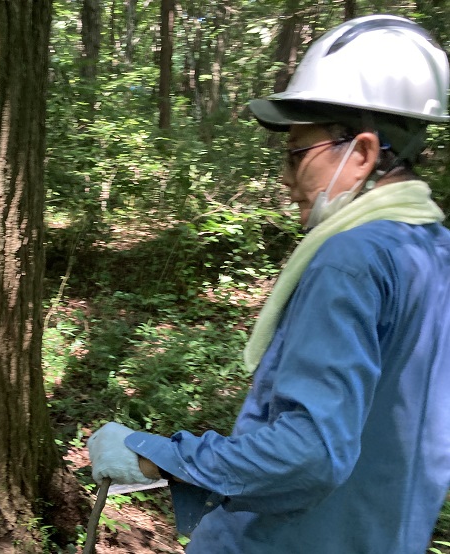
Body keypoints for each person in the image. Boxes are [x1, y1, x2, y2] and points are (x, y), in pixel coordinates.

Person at [87, 14, 450, 554]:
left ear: (364, 154)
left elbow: (310, 453)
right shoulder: (434, 252)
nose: (285, 178)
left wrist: (152, 455)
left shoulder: (351, 259)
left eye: (296, 153)